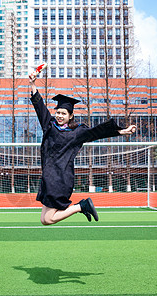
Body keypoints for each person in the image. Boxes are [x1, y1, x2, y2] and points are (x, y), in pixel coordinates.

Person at [29, 74, 136, 225]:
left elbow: (97, 132)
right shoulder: (50, 126)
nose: (59, 115)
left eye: (63, 113)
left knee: (47, 220)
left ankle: (81, 206)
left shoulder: (77, 132)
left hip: (60, 178)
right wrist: (32, 84)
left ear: (70, 115)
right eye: (58, 112)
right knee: (44, 220)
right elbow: (39, 108)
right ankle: (81, 206)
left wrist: (122, 131)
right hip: (48, 178)